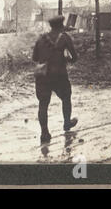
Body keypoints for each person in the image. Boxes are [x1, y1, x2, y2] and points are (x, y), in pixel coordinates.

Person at [32, 15, 78, 144]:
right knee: (66, 97)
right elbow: (74, 57)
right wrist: (65, 58)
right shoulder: (64, 37)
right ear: (61, 25)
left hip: (43, 76)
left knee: (43, 104)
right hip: (59, 75)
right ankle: (67, 123)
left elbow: (35, 58)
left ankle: (44, 133)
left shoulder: (41, 39)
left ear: (51, 26)